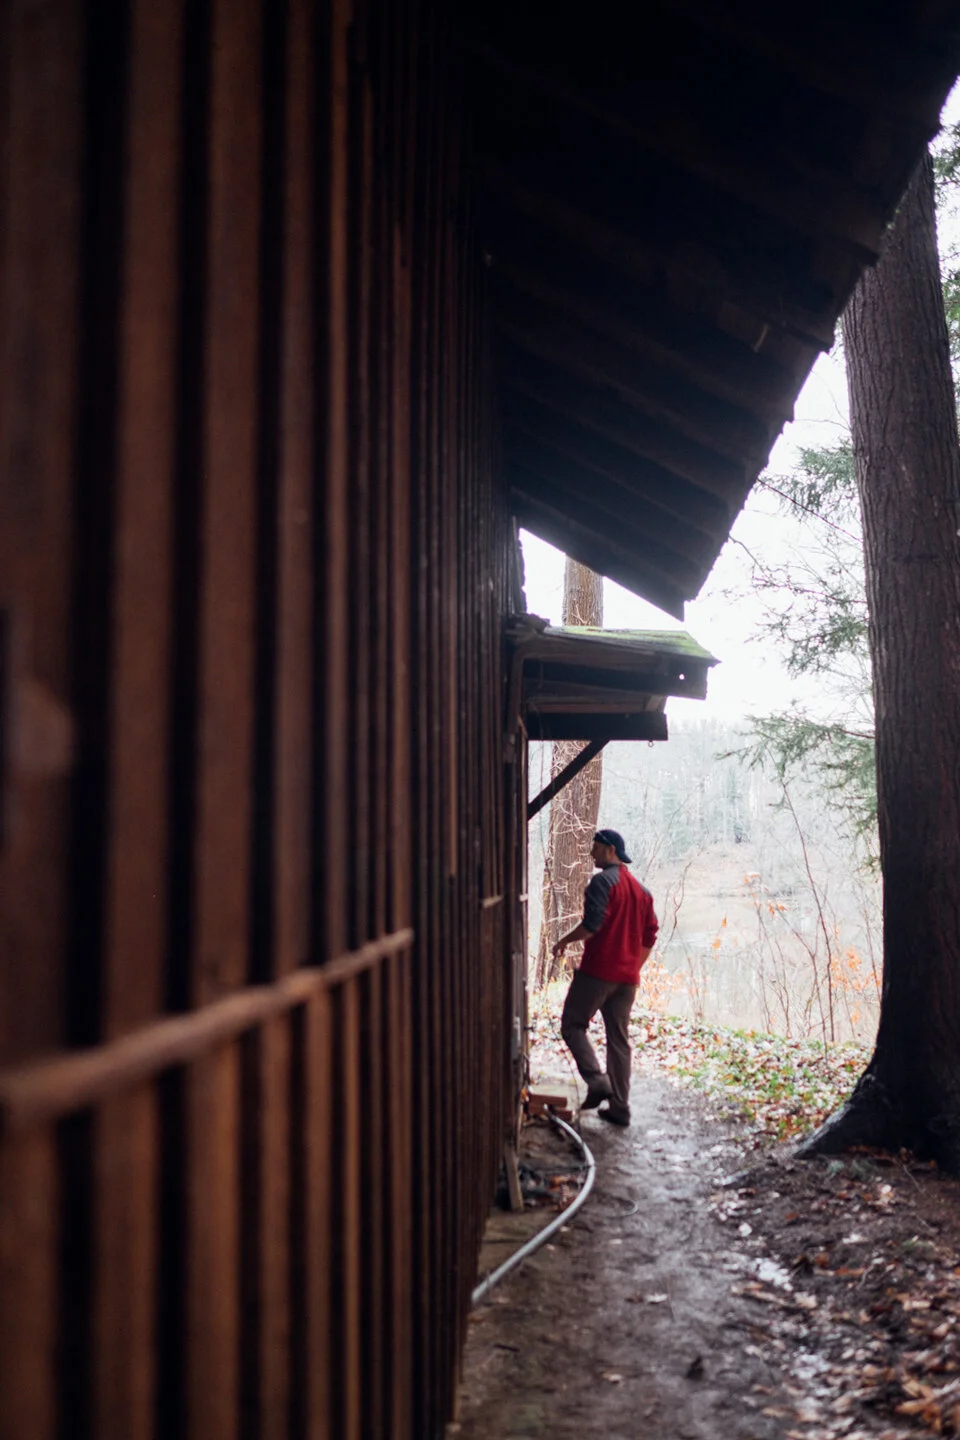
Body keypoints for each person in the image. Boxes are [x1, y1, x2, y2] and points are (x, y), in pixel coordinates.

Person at [552, 828, 658, 1127]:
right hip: (627, 980)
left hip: (597, 973)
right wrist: (633, 967)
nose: (591, 853)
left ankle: (597, 1082)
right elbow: (650, 936)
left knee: (572, 1024)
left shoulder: (602, 882)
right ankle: (620, 1108)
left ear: (611, 850)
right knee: (619, 1041)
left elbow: (592, 925)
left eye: (596, 848)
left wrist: (563, 941)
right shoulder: (642, 891)